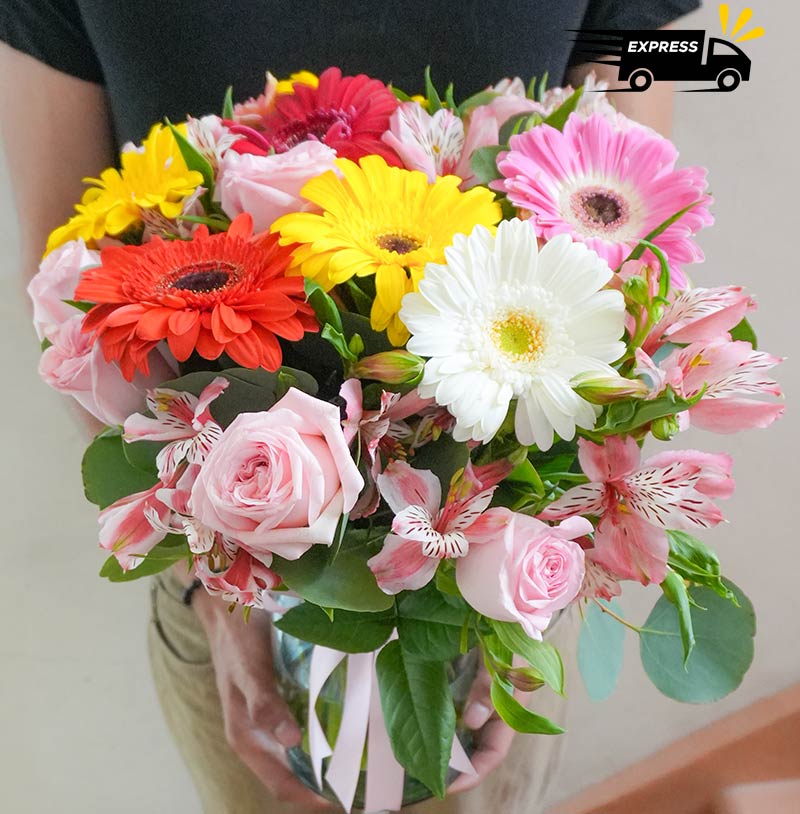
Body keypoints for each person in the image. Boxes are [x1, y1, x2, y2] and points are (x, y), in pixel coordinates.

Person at [0, 2, 699, 812]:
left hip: (497, 584)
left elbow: (636, 234)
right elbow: (64, 287)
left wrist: (520, 592)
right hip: (226, 589)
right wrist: (214, 577)